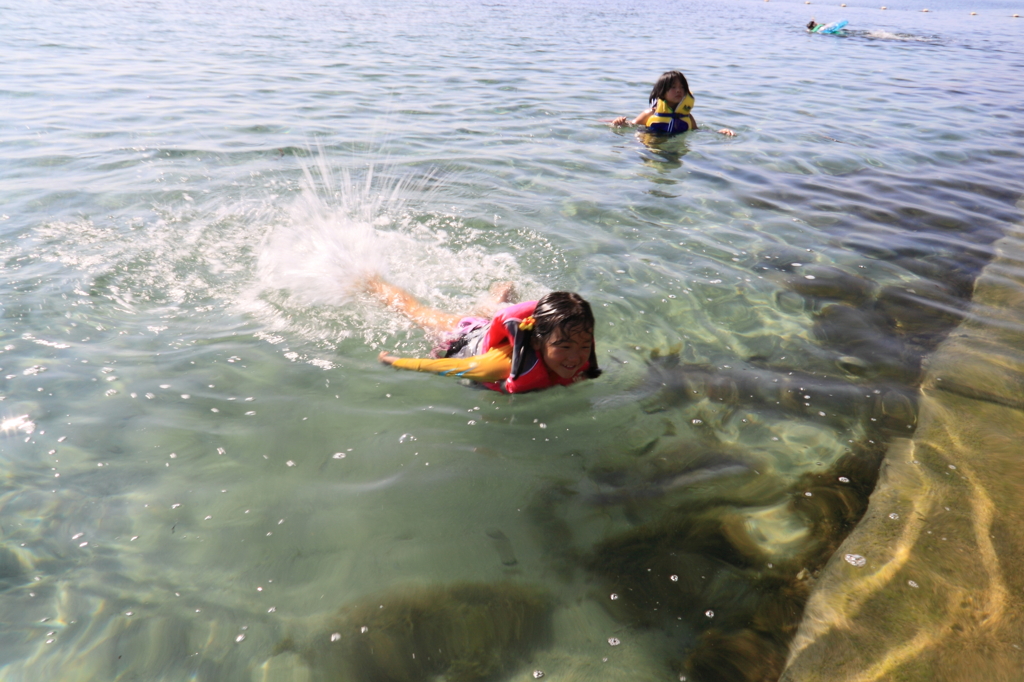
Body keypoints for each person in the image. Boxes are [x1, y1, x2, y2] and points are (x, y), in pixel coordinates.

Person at [368, 277, 601, 394]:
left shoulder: (578, 346)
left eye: (582, 347)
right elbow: (440, 367)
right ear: (537, 343)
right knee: (416, 312)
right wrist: (394, 361)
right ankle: (371, 281)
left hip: (491, 333)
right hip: (461, 336)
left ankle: (497, 298)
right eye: (565, 347)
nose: (575, 356)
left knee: (487, 319)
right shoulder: (498, 367)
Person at [612, 70, 735, 137]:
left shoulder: (687, 117)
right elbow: (631, 126)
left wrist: (718, 133)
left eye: (682, 87)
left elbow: (697, 132)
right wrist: (619, 123)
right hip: (651, 145)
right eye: (672, 87)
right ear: (661, 92)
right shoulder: (650, 113)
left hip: (675, 149)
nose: (678, 90)